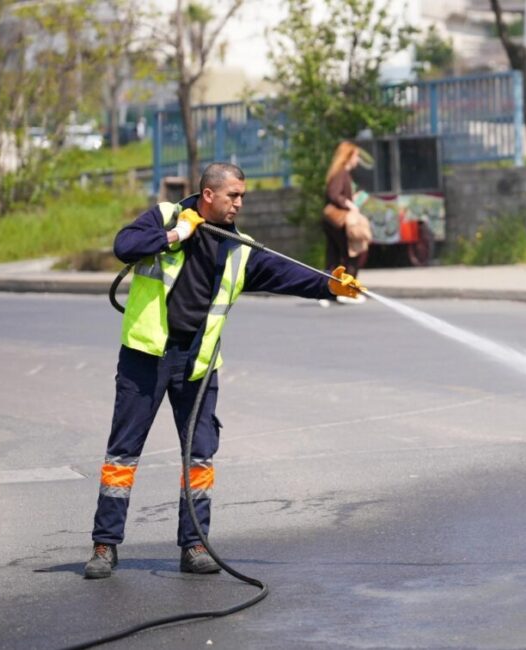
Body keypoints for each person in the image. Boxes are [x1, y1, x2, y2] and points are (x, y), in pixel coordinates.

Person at [84, 162, 362, 579]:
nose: (239, 203)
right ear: (209, 195)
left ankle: (195, 545)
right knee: (123, 452)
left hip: (197, 362)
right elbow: (125, 246)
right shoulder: (165, 217)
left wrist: (328, 285)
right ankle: (105, 546)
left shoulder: (239, 247)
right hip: (147, 356)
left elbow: (281, 273)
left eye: (242, 197)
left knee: (199, 457)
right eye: (233, 195)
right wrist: (179, 234)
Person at [322, 141, 372, 303]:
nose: (357, 160)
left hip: (332, 221)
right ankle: (346, 292)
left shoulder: (340, 173)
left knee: (334, 257)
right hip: (339, 222)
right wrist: (349, 204)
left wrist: (353, 199)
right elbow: (334, 194)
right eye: (356, 156)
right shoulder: (341, 172)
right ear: (348, 156)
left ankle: (327, 292)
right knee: (353, 254)